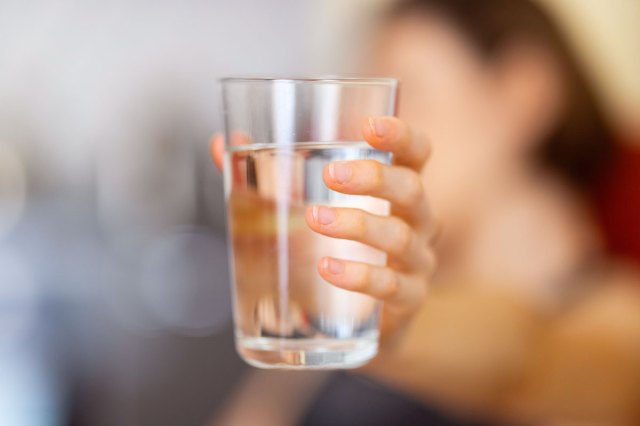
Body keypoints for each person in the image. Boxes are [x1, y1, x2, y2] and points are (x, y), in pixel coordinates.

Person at [209, 0, 640, 424]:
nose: (363, 134)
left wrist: (391, 331)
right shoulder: (345, 301)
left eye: (406, 94)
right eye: (358, 106)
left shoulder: (614, 317)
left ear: (524, 90)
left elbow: (530, 363)